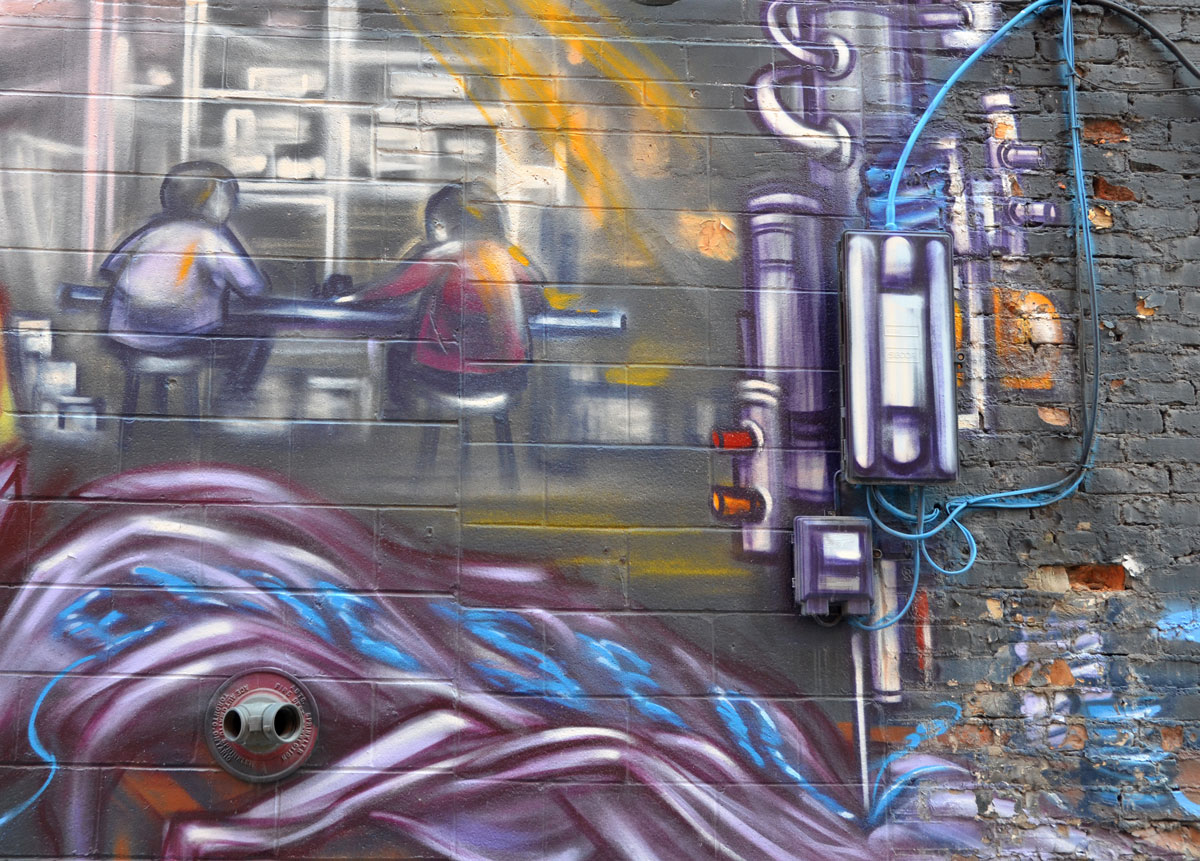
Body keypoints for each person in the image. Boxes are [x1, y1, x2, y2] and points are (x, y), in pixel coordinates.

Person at [351, 182, 548, 406]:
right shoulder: (509, 259)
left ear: (443, 222)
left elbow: (390, 290)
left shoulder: (443, 255)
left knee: (393, 351)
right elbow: (537, 300)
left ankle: (398, 413)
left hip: (448, 376)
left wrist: (350, 296)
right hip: (507, 377)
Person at [99, 161, 271, 410]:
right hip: (184, 340)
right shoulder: (210, 238)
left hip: (128, 339)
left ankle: (158, 408)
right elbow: (252, 288)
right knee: (259, 332)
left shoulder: (149, 233)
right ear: (213, 200)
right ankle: (234, 395)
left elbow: (109, 269)